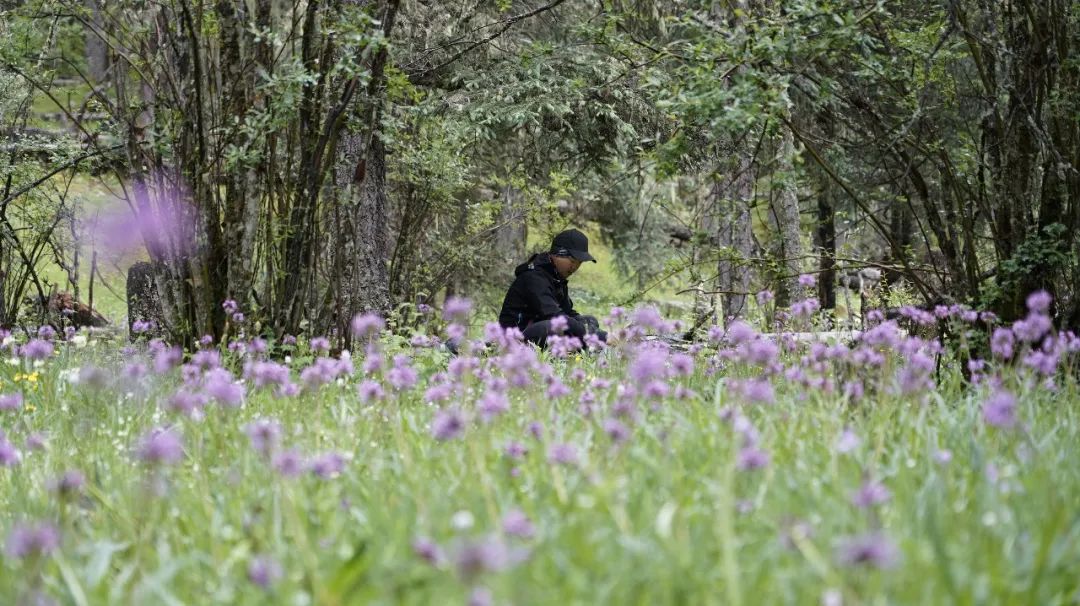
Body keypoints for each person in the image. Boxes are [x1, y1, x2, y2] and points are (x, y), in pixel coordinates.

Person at [497, 228, 607, 348]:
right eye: (572, 261)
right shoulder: (534, 277)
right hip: (515, 339)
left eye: (579, 263)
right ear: (558, 254)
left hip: (538, 329)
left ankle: (586, 345)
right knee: (553, 327)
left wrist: (584, 323)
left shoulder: (556, 276)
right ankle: (591, 343)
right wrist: (592, 334)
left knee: (590, 320)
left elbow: (567, 312)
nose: (575, 267)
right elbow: (554, 316)